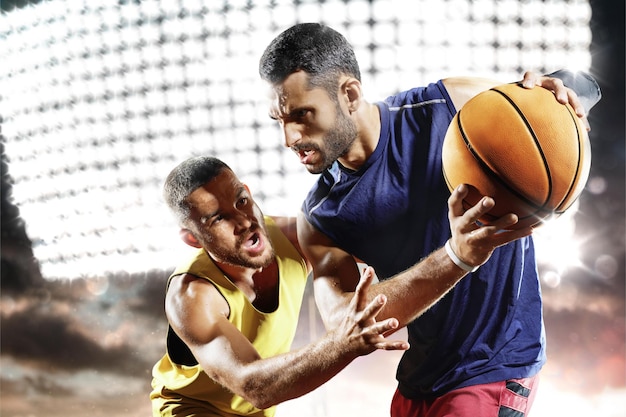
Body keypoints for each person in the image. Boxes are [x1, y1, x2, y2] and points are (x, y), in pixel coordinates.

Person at [258, 23, 601, 416]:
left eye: (302, 114)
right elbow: (348, 322)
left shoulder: (451, 104)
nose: (289, 137)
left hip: (493, 367)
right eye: (280, 120)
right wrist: (457, 256)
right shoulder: (321, 216)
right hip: (417, 384)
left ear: (349, 94)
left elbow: (567, 99)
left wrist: (562, 95)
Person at [150, 155, 412, 417]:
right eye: (219, 218)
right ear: (193, 238)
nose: (244, 222)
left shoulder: (294, 237)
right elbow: (254, 386)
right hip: (193, 410)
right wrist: (343, 343)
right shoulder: (192, 293)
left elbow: (393, 248)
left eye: (242, 201)